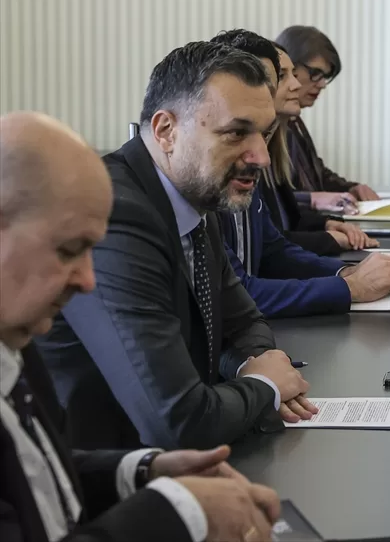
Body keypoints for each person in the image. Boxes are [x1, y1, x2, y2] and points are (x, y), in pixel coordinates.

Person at [0, 111, 283, 542]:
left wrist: (147, 470)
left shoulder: (15, 343)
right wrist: (181, 512)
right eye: (69, 249)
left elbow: (39, 477)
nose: (88, 280)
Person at [38, 42, 317, 452]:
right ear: (166, 130)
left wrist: (255, 363)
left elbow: (244, 323)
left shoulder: (195, 194)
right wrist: (264, 386)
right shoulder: (115, 215)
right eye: (236, 133)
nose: (260, 156)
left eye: (265, 133)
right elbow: (178, 423)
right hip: (104, 473)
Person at [209, 30, 390, 318]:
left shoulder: (256, 155)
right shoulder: (210, 174)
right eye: (280, 77)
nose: (294, 85)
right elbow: (238, 294)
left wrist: (347, 272)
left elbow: (272, 249)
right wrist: (349, 287)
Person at [275, 25, 380, 205]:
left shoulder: (294, 120)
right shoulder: (266, 126)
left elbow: (317, 175)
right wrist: (313, 199)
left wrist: (351, 188)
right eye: (315, 73)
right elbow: (268, 199)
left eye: (325, 76)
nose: (322, 84)